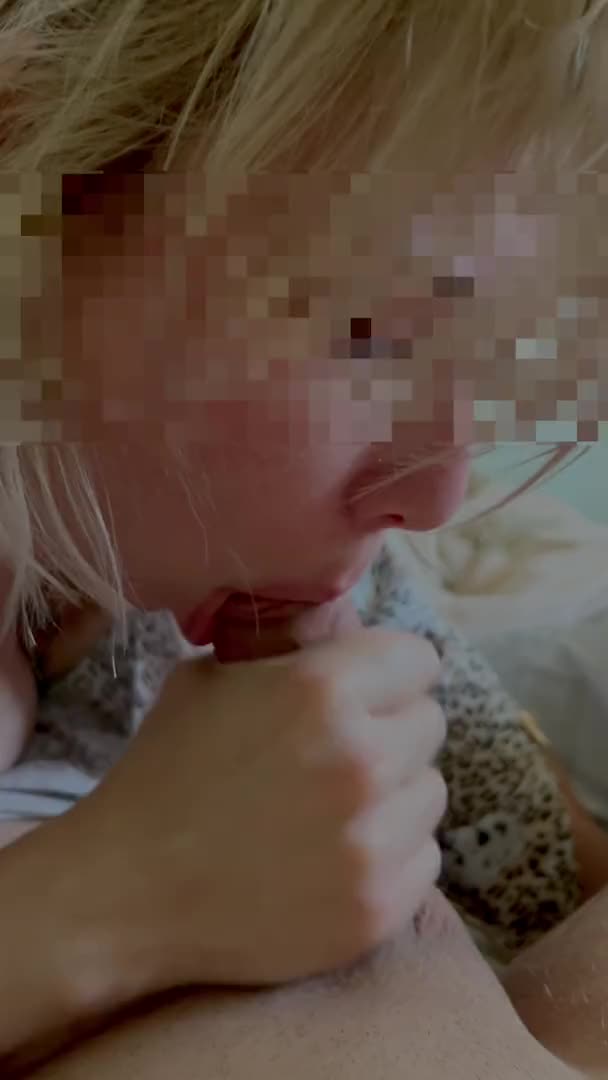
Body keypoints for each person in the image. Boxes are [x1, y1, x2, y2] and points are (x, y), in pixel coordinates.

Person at [2, 0, 608, 1076]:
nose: (436, 494)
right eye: (373, 335)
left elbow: (540, 864)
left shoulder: (276, 573)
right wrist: (117, 898)